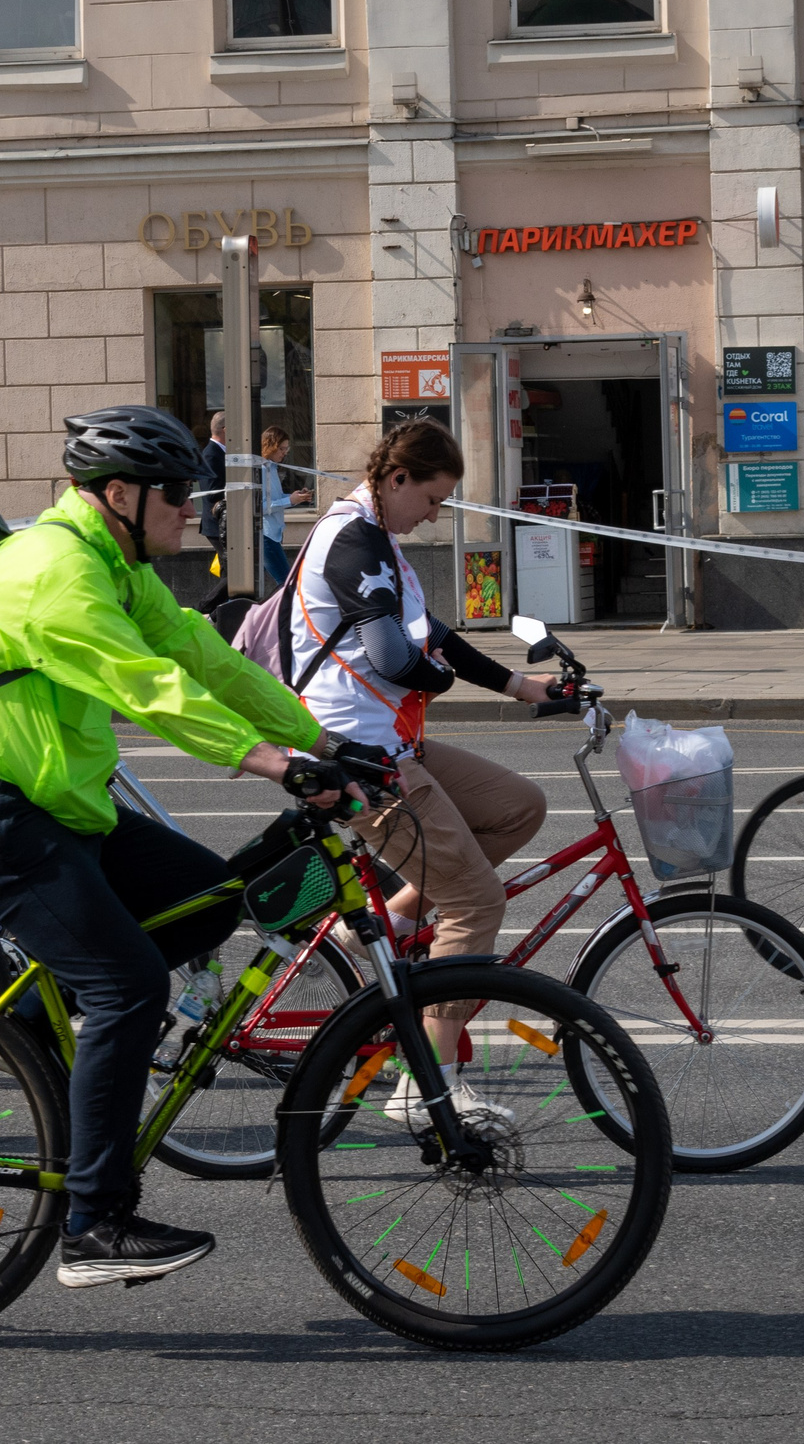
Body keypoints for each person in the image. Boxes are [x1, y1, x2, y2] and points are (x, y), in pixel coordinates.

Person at [0, 404, 348, 1289]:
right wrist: (268, 763)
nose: (188, 507)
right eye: (174, 492)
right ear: (118, 493)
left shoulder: (116, 561)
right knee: (128, 982)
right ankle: (95, 1221)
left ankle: (31, 1046)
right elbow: (142, 686)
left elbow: (199, 657)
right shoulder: (54, 566)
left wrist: (320, 743)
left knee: (212, 899)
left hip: (55, 803)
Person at [292, 418, 558, 1100]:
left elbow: (434, 637)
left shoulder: (381, 537)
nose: (435, 515)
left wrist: (526, 688)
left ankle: (395, 921)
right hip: (358, 757)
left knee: (519, 807)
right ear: (397, 477)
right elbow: (395, 657)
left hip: (395, 742)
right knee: (475, 900)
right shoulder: (354, 540)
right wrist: (434, 676)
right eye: (433, 499)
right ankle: (428, 1083)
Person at [258, 425, 311, 587]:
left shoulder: (272, 468)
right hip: (265, 535)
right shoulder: (260, 470)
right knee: (287, 583)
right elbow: (261, 507)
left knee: (282, 582)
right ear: (270, 446)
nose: (285, 453)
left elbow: (276, 498)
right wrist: (290, 501)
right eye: (281, 448)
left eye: (287, 449)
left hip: (273, 533)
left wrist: (296, 497)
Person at [197, 411, 229, 598]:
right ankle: (204, 609)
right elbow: (211, 492)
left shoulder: (222, 453)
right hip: (217, 525)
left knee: (229, 572)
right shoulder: (211, 454)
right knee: (234, 574)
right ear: (225, 430)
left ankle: (222, 613)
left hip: (224, 524)